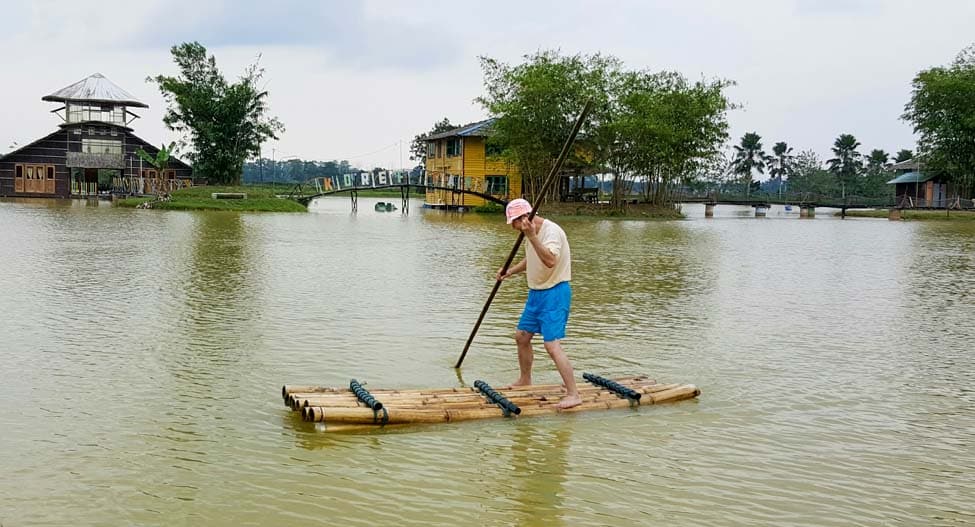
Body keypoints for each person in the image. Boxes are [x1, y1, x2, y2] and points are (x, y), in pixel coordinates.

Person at [496, 198, 582, 409]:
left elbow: (550, 260)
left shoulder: (551, 232)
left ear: (524, 218)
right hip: (536, 293)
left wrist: (532, 236)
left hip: (555, 292)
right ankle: (525, 379)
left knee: (551, 346)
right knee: (522, 336)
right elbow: (532, 259)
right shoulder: (530, 233)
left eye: (514, 223)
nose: (514, 228)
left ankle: (574, 394)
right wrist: (510, 272)